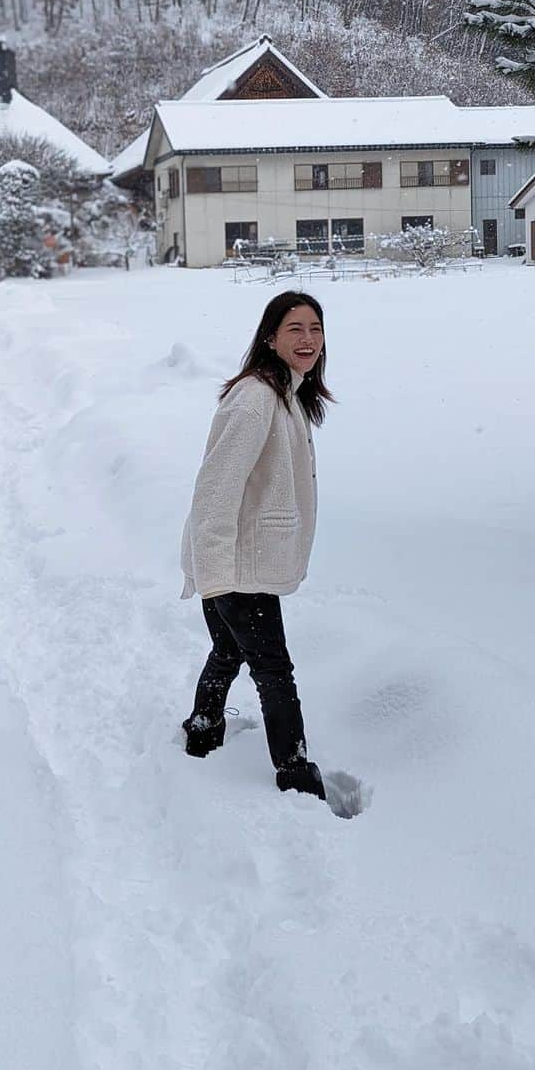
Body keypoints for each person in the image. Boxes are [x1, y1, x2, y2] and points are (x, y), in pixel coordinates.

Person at [179, 291, 335, 800]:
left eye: (315, 328)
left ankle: (203, 727)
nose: (307, 339)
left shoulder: (286, 392)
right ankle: (293, 769)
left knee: (229, 648)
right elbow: (217, 488)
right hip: (236, 563)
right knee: (274, 669)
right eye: (295, 328)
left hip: (237, 561)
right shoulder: (256, 398)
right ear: (271, 337)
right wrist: (217, 572)